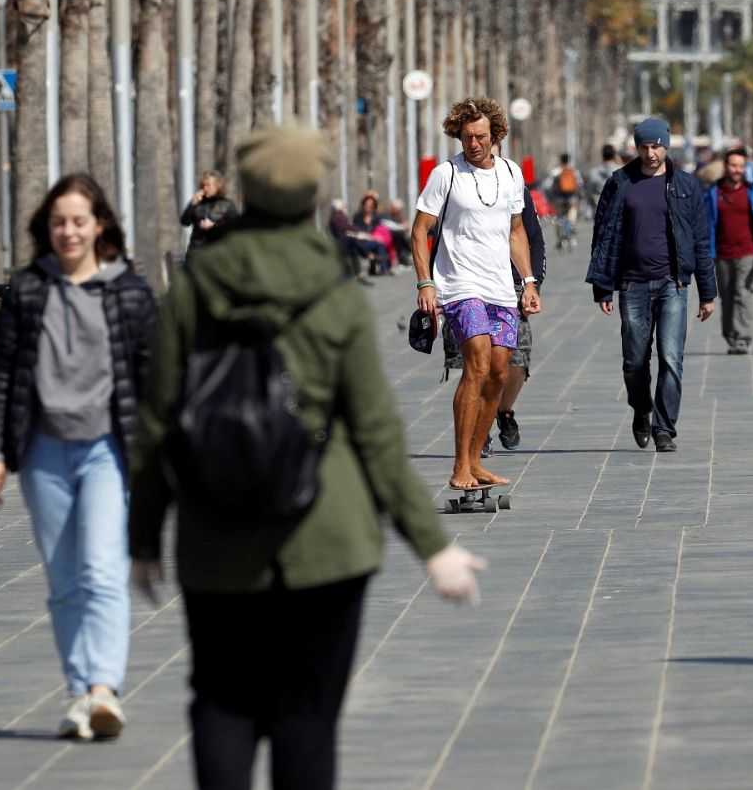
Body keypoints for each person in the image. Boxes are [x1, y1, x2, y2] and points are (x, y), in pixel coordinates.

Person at [128, 123, 484, 790]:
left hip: (216, 530)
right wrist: (434, 546)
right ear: (316, 195)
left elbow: (156, 422)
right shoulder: (334, 290)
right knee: (308, 716)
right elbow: (376, 432)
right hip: (328, 535)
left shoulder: (194, 287)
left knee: (222, 703)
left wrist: (143, 537)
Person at [0, 174, 158, 741]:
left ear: (98, 224)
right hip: (44, 451)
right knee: (63, 579)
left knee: (101, 570)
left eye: (79, 220)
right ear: (46, 228)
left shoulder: (126, 291)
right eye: (59, 222)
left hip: (108, 449)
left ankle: (104, 688)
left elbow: (154, 374)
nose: (69, 231)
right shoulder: (29, 288)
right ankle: (80, 690)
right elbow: (2, 375)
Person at [411, 98, 541, 494]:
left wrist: (529, 281)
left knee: (500, 371)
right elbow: (419, 231)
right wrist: (425, 282)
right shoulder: (445, 174)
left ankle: (476, 463)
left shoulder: (511, 173)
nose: (474, 144)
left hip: (502, 286)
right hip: (460, 285)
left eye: (481, 136)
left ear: (495, 135)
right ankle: (459, 465)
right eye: (467, 137)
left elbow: (516, 231)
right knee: (478, 365)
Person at [586, 118, 717, 452]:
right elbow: (603, 236)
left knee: (671, 358)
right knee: (634, 360)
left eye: (656, 146)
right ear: (636, 147)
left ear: (666, 144)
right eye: (644, 146)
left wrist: (707, 292)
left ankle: (664, 428)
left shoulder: (685, 185)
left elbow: (701, 241)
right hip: (632, 285)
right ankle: (641, 409)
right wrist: (603, 287)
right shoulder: (620, 183)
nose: (651, 153)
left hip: (673, 284)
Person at [704, 147, 753, 354]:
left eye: (741, 166)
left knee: (742, 293)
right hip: (721, 253)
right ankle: (730, 335)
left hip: (747, 250)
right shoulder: (714, 192)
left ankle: (742, 338)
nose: (737, 170)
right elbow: (707, 223)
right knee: (727, 296)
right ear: (725, 166)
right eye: (733, 165)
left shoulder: (751, 190)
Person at [181, 171, 240, 251]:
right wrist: (192, 204)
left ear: (217, 186)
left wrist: (214, 225)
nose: (205, 188)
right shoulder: (198, 203)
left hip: (218, 250)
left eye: (208, 185)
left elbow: (235, 227)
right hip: (197, 250)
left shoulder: (227, 205)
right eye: (203, 185)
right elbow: (185, 222)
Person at [350, 191, 395, 275]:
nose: (368, 208)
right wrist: (369, 236)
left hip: (373, 240)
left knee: (380, 244)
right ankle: (382, 266)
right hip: (362, 241)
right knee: (378, 245)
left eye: (371, 206)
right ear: (363, 205)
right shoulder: (357, 216)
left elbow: (379, 229)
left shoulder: (375, 217)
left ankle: (382, 268)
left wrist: (377, 237)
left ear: (373, 207)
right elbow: (356, 230)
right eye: (366, 205)